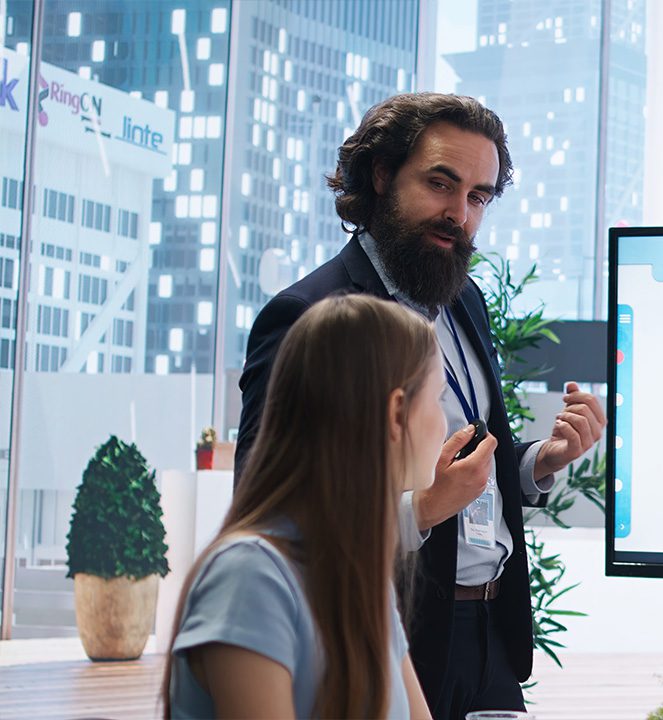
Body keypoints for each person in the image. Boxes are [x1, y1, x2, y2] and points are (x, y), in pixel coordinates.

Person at [234, 93, 605, 719]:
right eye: (441, 183)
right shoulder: (310, 317)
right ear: (381, 175)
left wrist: (540, 461)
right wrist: (421, 510)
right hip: (386, 637)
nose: (459, 213)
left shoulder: (466, 301)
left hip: (492, 634)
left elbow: (464, 452)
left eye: (479, 197)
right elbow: (264, 504)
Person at [165, 295, 445, 718]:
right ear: (397, 413)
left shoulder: (356, 573)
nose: (446, 422)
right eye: (438, 399)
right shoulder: (251, 578)